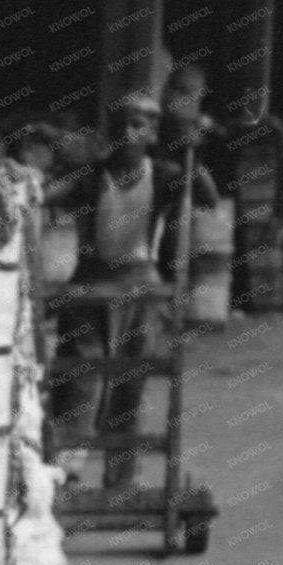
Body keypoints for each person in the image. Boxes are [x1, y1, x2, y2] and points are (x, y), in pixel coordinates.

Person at [45, 92, 217, 488]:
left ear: (152, 132)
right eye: (121, 124)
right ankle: (65, 473)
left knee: (129, 386)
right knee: (79, 380)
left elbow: (207, 197)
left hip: (141, 292)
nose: (128, 132)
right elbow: (50, 195)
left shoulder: (164, 175)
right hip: (90, 288)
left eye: (138, 125)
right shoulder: (92, 176)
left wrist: (194, 155)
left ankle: (120, 481)